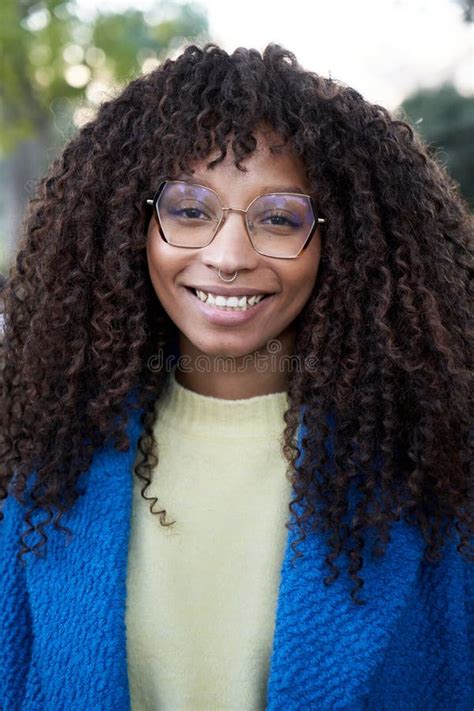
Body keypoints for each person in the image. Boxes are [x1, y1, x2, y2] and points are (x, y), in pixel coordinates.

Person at [0, 42, 472, 711]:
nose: (227, 257)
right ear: (132, 226)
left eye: (279, 218)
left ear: (346, 243)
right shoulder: (49, 459)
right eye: (190, 209)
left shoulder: (432, 470)